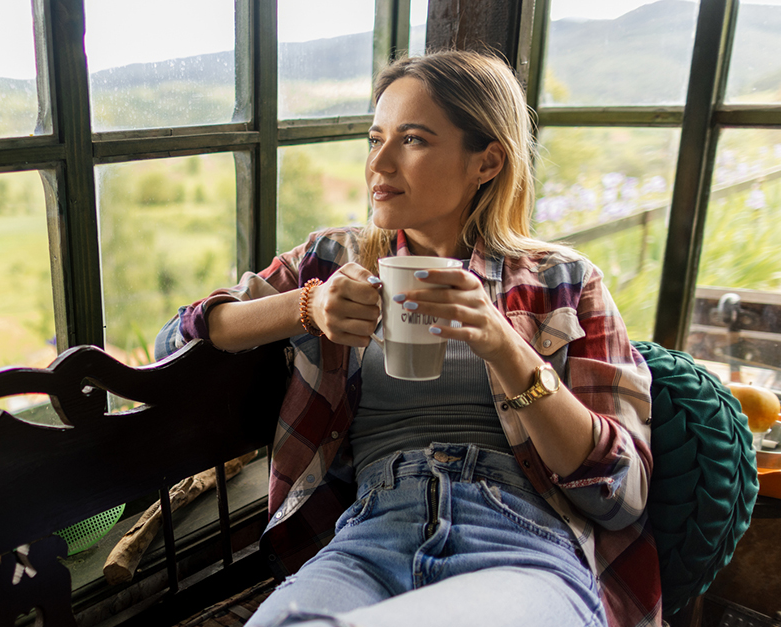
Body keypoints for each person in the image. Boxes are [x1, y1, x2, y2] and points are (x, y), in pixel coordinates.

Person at [155, 50, 659, 627]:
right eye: (376, 138)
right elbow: (176, 343)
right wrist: (305, 306)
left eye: (413, 140)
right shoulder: (331, 259)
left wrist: (505, 347)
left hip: (522, 546)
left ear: (487, 162)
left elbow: (621, 495)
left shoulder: (564, 280)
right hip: (369, 536)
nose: (380, 164)